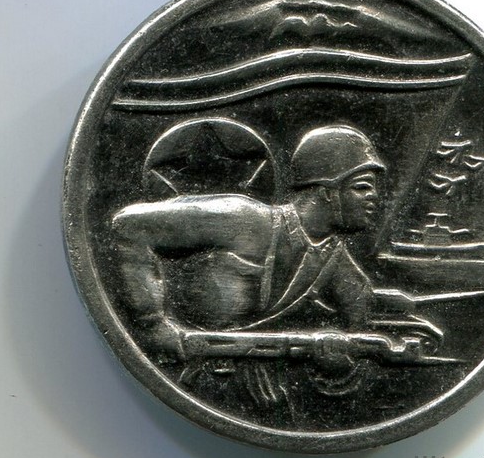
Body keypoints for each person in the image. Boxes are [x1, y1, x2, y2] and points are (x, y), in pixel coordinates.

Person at [112, 125, 437, 364]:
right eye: (362, 187)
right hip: (185, 363)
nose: (374, 198)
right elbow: (129, 226)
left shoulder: (330, 251)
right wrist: (153, 324)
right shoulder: (243, 219)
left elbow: (359, 304)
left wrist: (398, 314)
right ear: (326, 192)